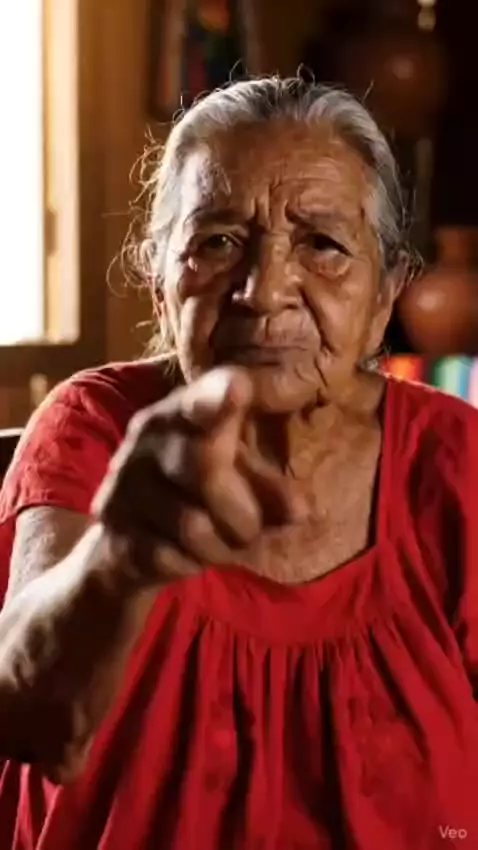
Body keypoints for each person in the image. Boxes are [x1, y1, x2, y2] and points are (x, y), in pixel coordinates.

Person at [0, 76, 476, 850]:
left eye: (322, 245)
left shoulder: (454, 462)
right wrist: (118, 560)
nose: (264, 291)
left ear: (385, 295)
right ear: (159, 285)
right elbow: (29, 715)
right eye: (217, 243)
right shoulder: (93, 427)